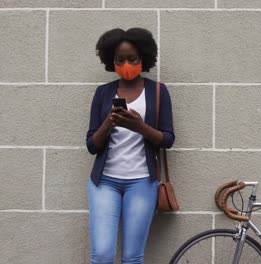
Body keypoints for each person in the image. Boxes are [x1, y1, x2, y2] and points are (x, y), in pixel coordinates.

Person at [85, 27, 175, 264]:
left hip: (142, 182)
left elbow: (168, 139)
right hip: (104, 182)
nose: (126, 64)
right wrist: (109, 123)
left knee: (132, 257)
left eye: (132, 58)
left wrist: (140, 127)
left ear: (142, 58)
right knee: (102, 254)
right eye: (120, 59)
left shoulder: (157, 91)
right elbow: (91, 145)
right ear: (110, 60)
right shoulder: (103, 93)